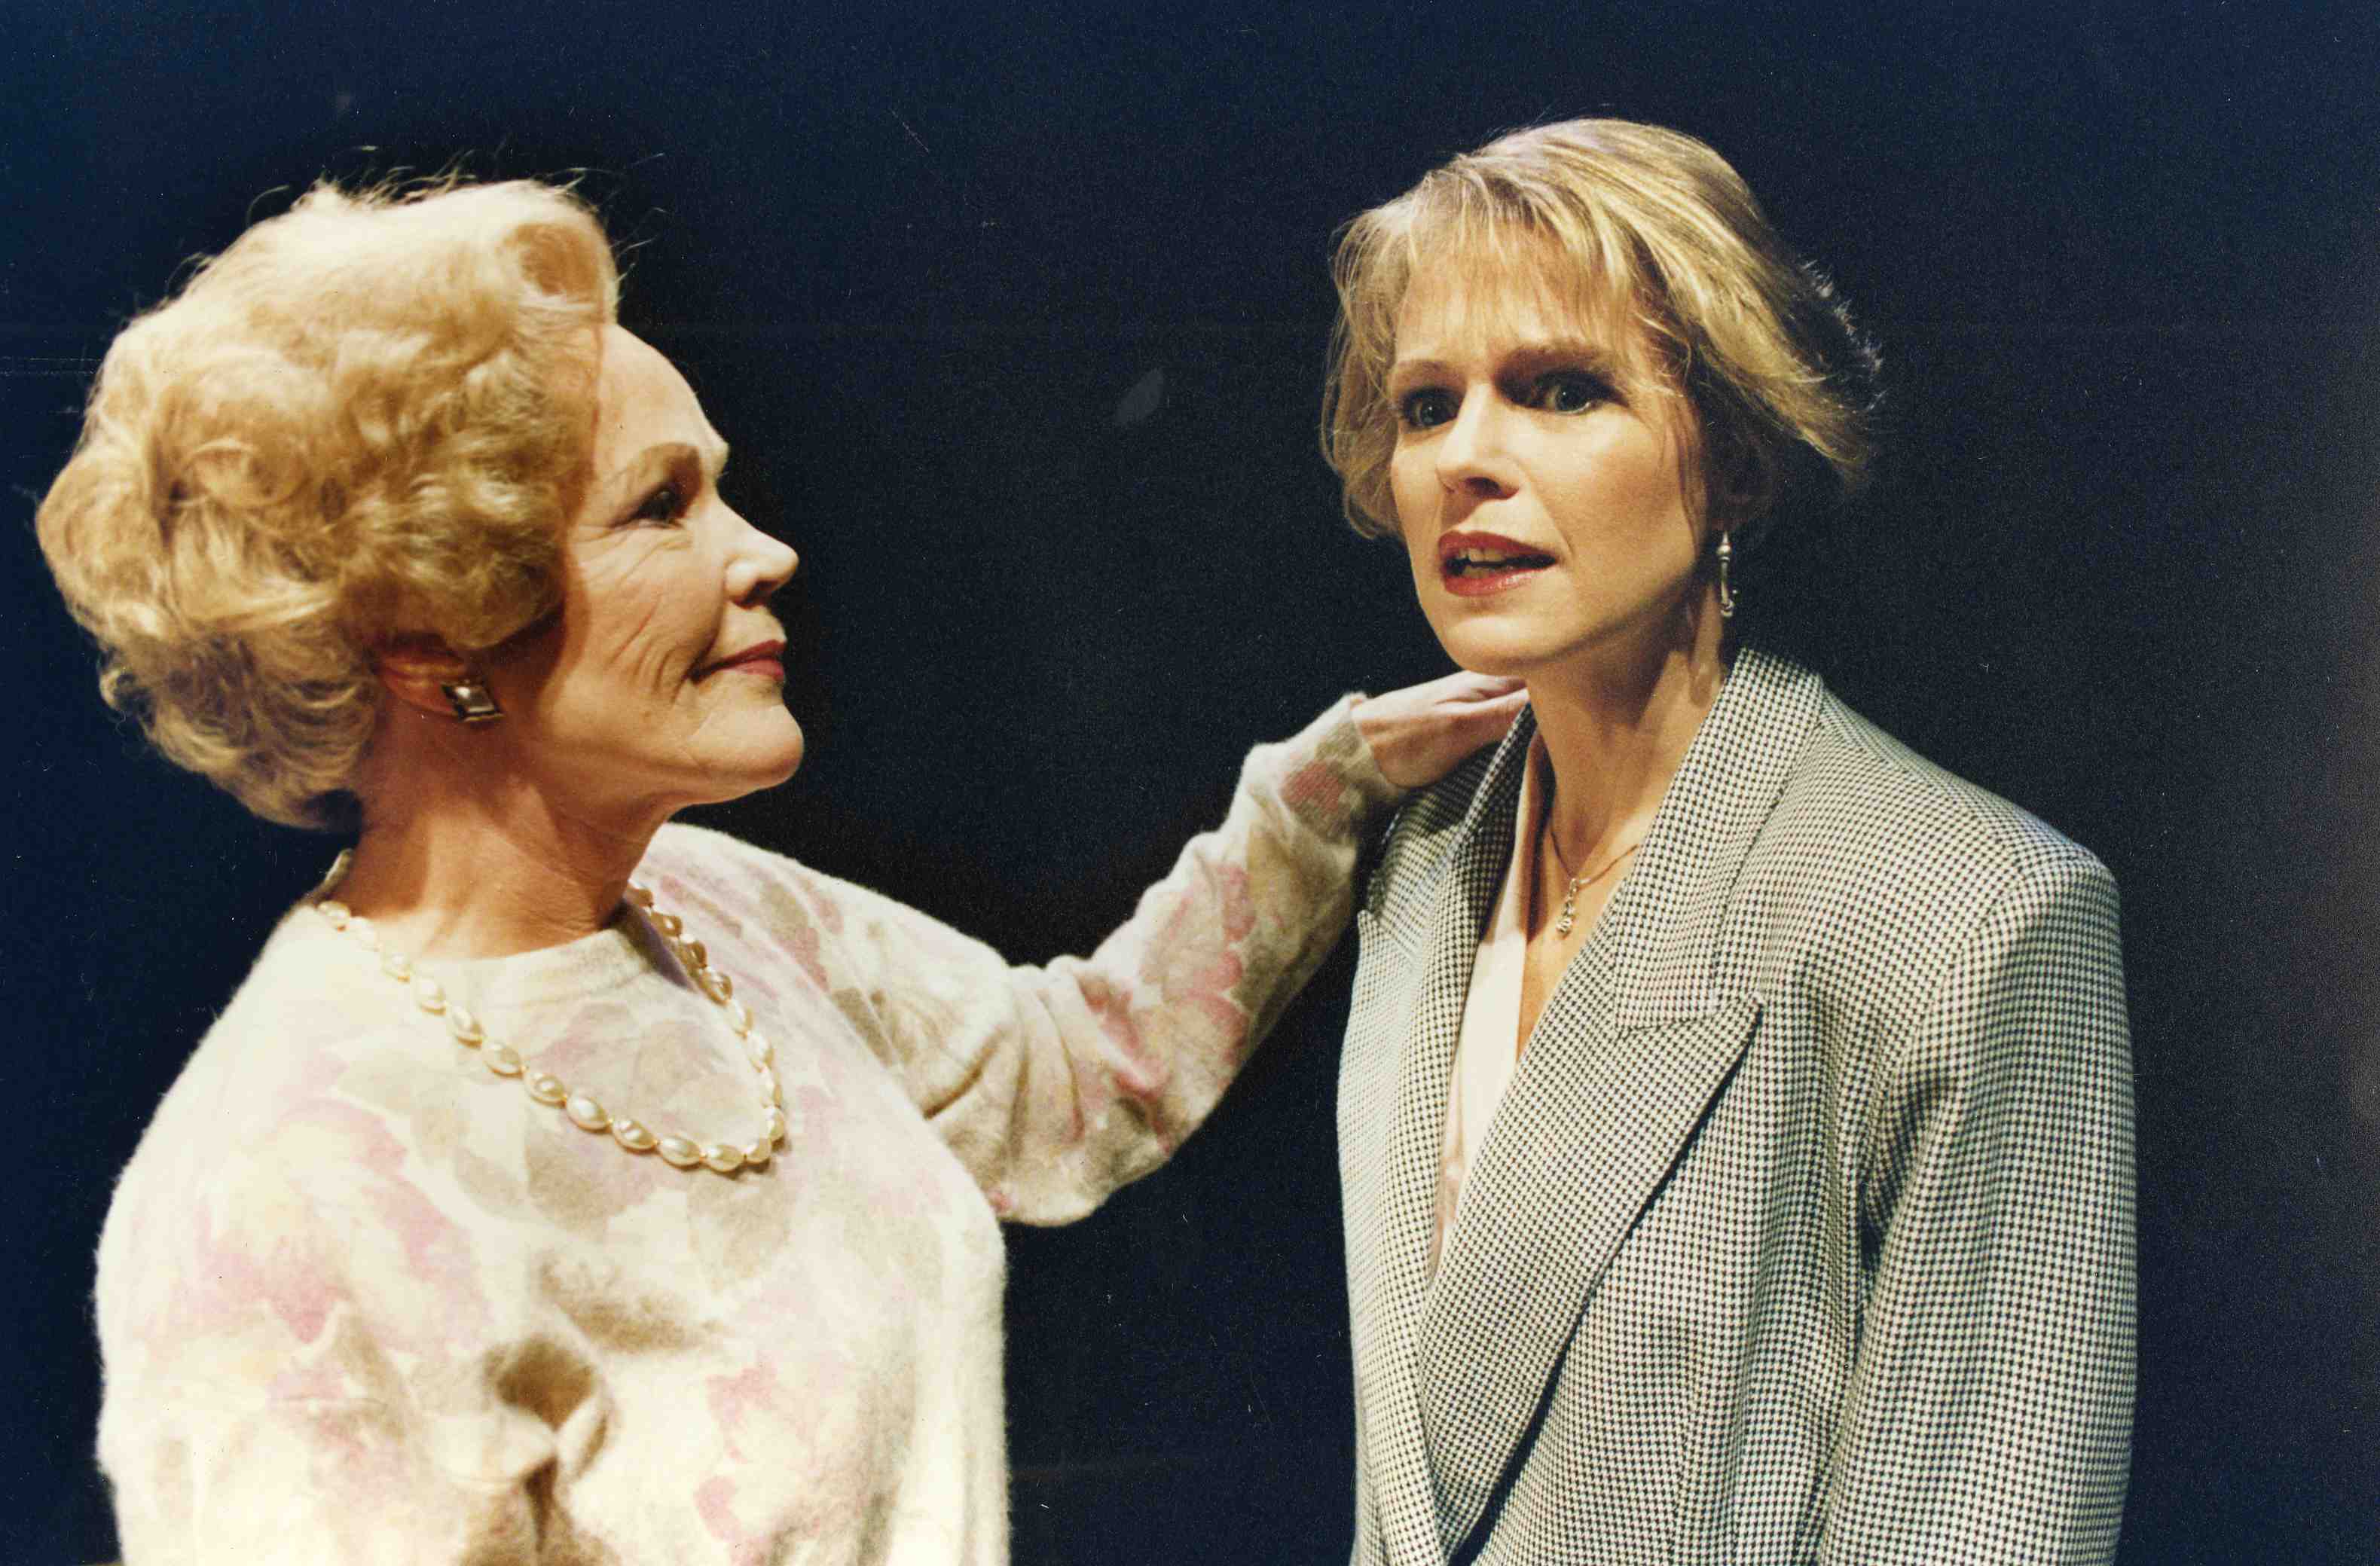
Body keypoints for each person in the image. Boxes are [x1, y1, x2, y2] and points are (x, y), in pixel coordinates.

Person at [36, 178, 1525, 1564]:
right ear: (431, 638)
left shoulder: (712, 907)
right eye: (661, 506)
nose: (763, 553)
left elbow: (1072, 1076)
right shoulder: (281, 1191)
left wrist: (1326, 791)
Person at [1318, 119, 2134, 1564]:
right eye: (1427, 405)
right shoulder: (1425, 867)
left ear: (1738, 454)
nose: (1466, 459)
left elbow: (1983, 1521)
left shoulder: (1971, 913)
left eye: (1561, 390)